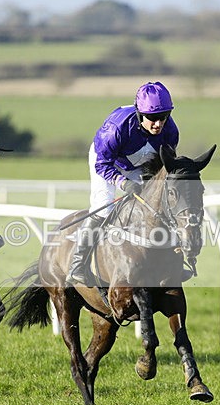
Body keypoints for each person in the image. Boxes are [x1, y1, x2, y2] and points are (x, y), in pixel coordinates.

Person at [66, 81, 179, 286]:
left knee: (158, 203)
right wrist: (122, 182)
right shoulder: (116, 128)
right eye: (152, 118)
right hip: (107, 161)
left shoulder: (170, 131)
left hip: (138, 162)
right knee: (104, 206)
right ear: (139, 113)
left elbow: (163, 165)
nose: (158, 124)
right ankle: (77, 264)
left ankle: (172, 260)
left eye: (164, 117)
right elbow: (102, 164)